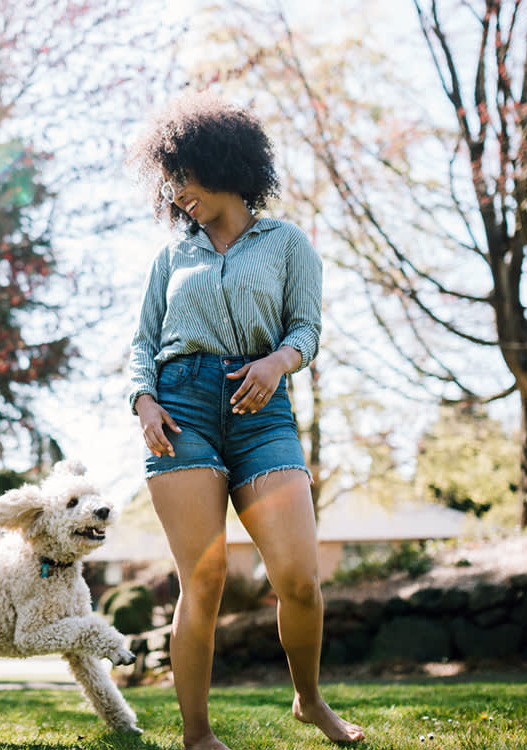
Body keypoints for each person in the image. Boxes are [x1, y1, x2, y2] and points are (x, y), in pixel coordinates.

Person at [126, 93, 365, 749]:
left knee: (300, 581)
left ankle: (309, 699)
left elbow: (307, 329)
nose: (177, 196)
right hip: (181, 410)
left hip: (263, 415)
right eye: (169, 185)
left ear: (221, 163)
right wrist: (144, 401)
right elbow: (143, 342)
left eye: (184, 178)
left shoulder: (287, 243)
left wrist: (277, 363)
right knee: (202, 579)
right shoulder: (172, 256)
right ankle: (197, 736)